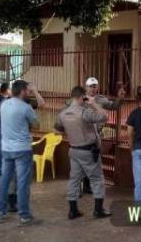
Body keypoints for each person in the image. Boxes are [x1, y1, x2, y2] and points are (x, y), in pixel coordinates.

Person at [55, 86, 112, 219]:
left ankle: (73, 210)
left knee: (74, 179)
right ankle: (98, 210)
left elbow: (57, 130)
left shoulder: (63, 113)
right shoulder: (84, 112)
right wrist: (93, 103)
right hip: (88, 151)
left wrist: (71, 134)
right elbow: (105, 116)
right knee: (97, 179)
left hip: (73, 149)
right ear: (82, 97)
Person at [0, 80, 45, 226]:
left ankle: (1, 212)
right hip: (22, 149)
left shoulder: (3, 105)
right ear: (23, 91)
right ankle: (24, 215)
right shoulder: (25, 107)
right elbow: (36, 124)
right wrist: (35, 91)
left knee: (4, 181)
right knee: (23, 183)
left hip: (6, 149)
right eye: (27, 90)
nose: (29, 92)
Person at [79, 77, 126, 194]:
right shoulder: (80, 99)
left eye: (95, 86)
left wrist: (120, 98)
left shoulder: (101, 99)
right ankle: (79, 186)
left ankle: (87, 185)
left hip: (96, 135)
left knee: (93, 161)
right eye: (91, 86)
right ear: (86, 87)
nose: (93, 88)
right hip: (82, 134)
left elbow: (114, 106)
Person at [0, 83, 11, 176]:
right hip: (0, 127)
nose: (10, 91)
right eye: (9, 89)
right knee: (0, 148)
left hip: (3, 127)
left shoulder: (5, 99)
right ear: (6, 90)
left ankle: (3, 168)